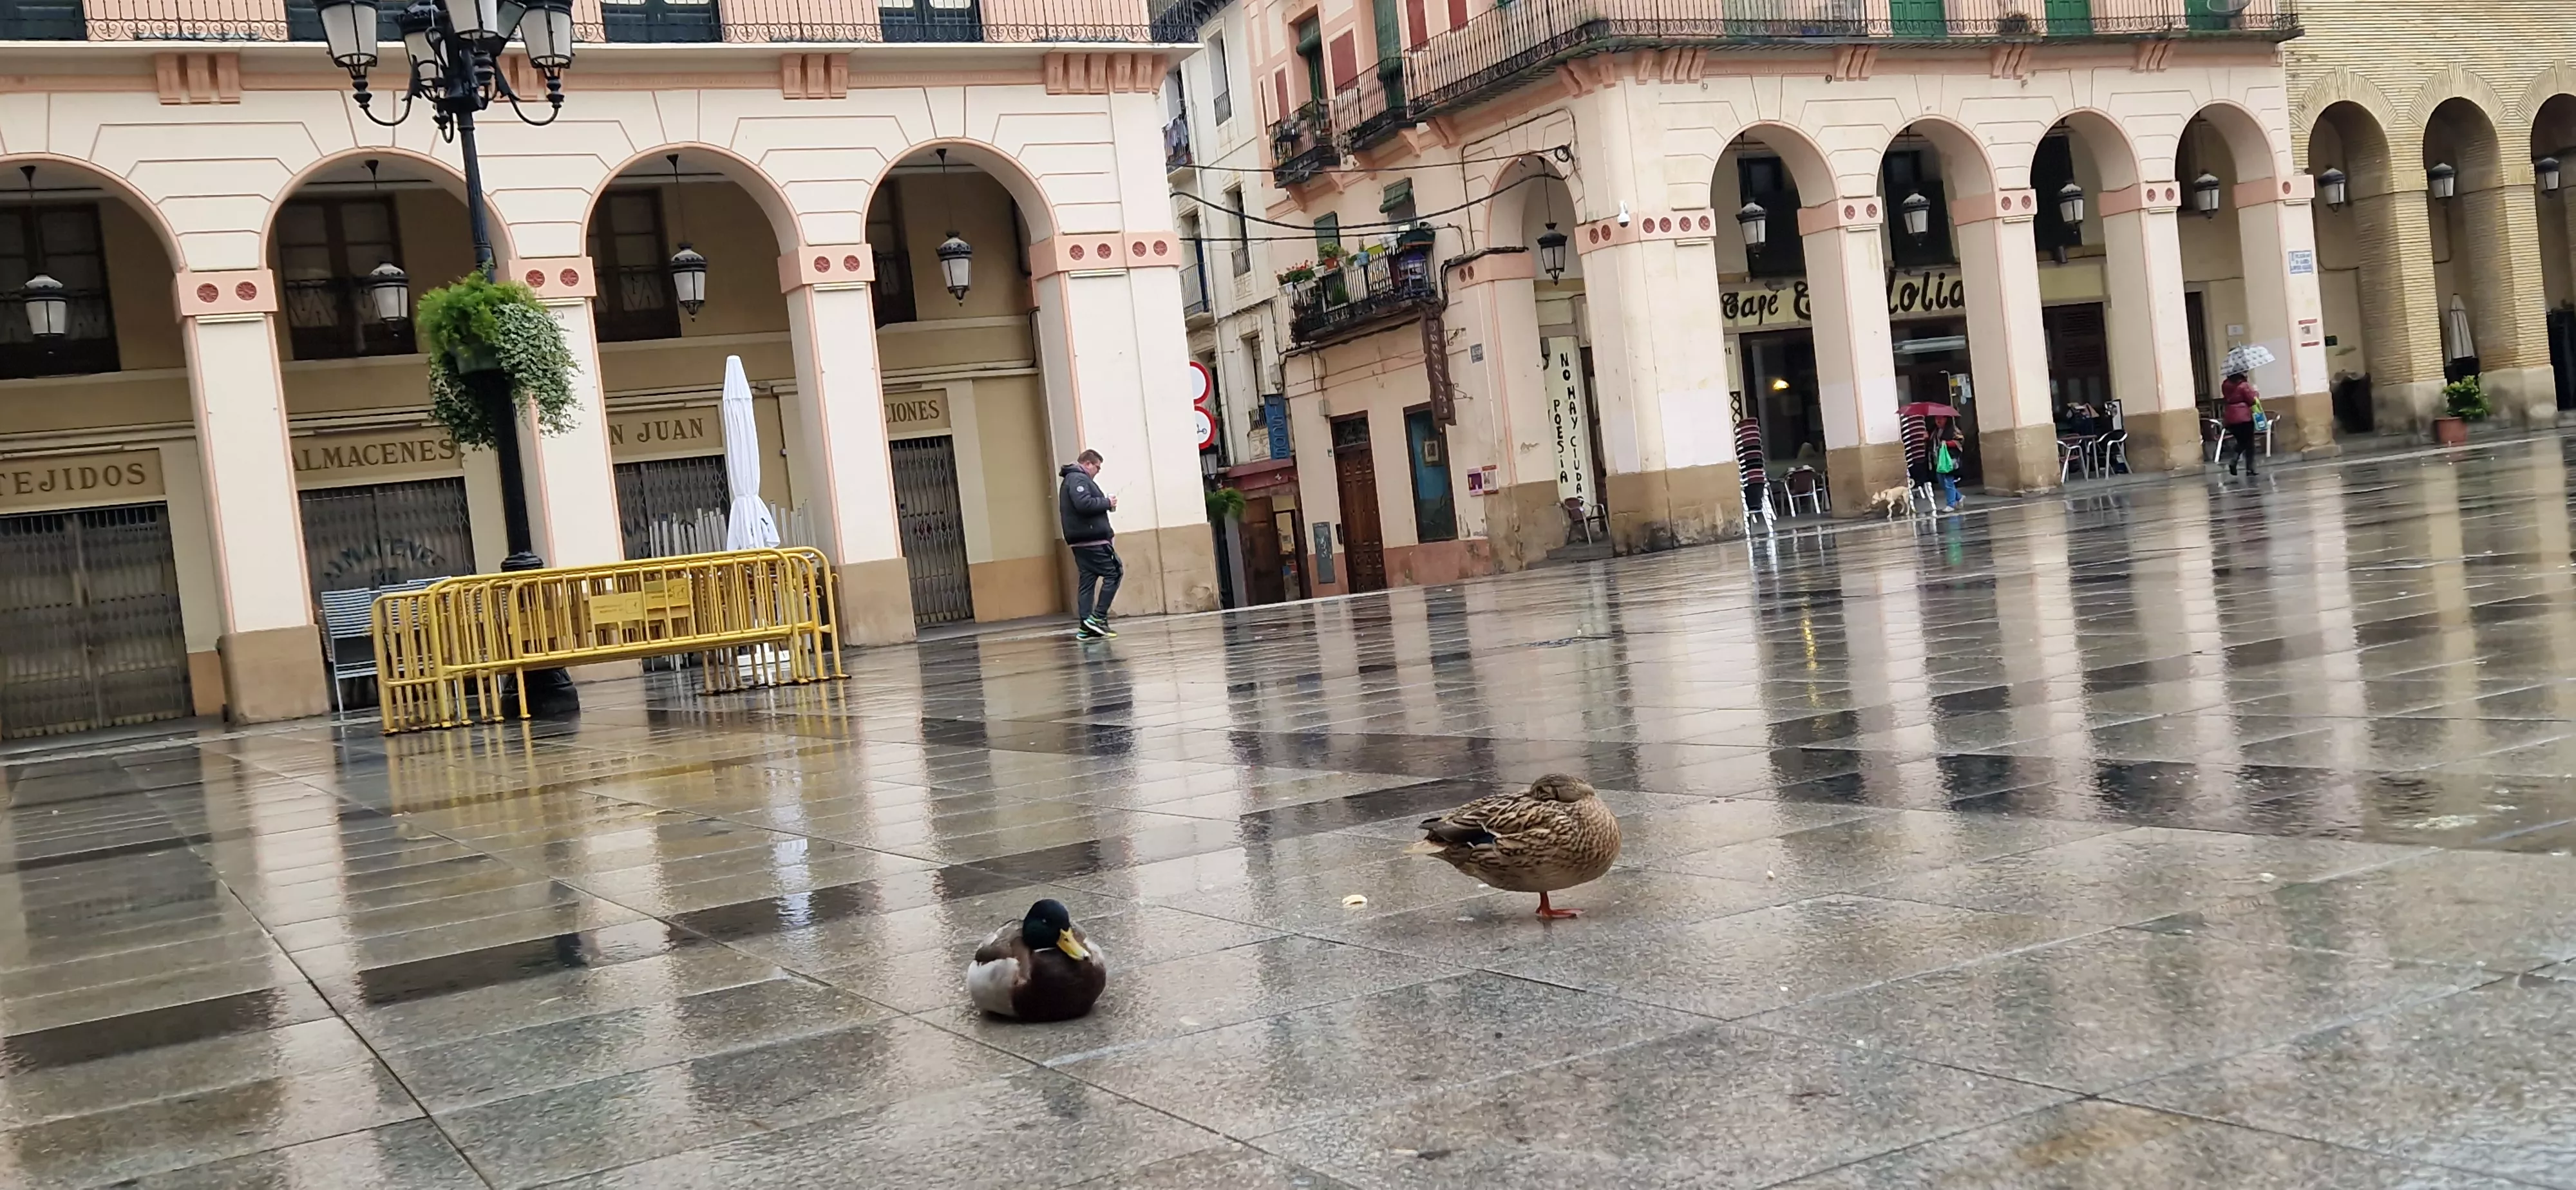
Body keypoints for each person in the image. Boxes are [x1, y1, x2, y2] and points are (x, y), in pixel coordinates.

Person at [1057, 449, 1121, 639]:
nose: (1097, 472)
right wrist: (1107, 502)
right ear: (1087, 464)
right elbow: (1084, 504)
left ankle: (1086, 626)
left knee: (1088, 579)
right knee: (1115, 572)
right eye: (1097, 468)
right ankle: (1098, 618)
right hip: (1091, 539)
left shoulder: (1074, 479)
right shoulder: (1078, 479)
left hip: (1080, 540)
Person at [2220, 370, 2261, 477]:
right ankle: (2248, 467)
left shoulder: (2225, 385)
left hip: (2230, 416)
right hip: (2244, 417)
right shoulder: (2244, 385)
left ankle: (2236, 460)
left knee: (2241, 441)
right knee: (2249, 443)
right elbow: (2252, 400)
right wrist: (2255, 392)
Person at [1933, 419, 1965, 510]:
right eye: (1936, 419)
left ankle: (1951, 504)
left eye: (1940, 418)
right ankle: (1959, 497)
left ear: (1946, 419)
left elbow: (1960, 441)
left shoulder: (1953, 430)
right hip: (1940, 460)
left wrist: (1947, 444)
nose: (1938, 421)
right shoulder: (1936, 431)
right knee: (1942, 482)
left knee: (1948, 482)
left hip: (1950, 459)